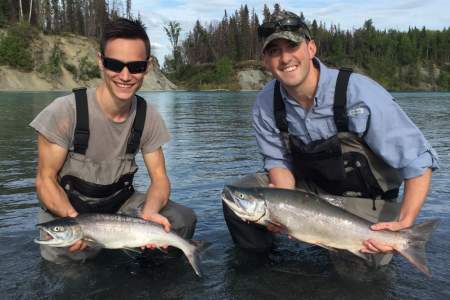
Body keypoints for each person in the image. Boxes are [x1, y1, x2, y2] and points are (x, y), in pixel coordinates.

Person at [223, 10, 439, 267]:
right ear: (265, 61)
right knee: (241, 195)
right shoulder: (265, 103)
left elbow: (417, 164)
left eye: (292, 46)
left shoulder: (359, 93)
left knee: (358, 276)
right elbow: (277, 162)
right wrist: (280, 210)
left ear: (311, 48)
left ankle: (396, 245)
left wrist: (404, 223)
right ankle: (259, 268)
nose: (285, 58)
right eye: (274, 51)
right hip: (312, 196)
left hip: (368, 203)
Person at [30, 18, 197, 263]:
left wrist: (150, 212)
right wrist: (76, 224)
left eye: (136, 66)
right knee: (69, 275)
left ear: (147, 66)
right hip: (68, 209)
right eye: (114, 64)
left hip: (120, 207)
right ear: (100, 61)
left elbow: (160, 179)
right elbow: (45, 181)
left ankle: (154, 270)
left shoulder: (147, 115)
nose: (125, 75)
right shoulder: (64, 112)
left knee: (182, 219)